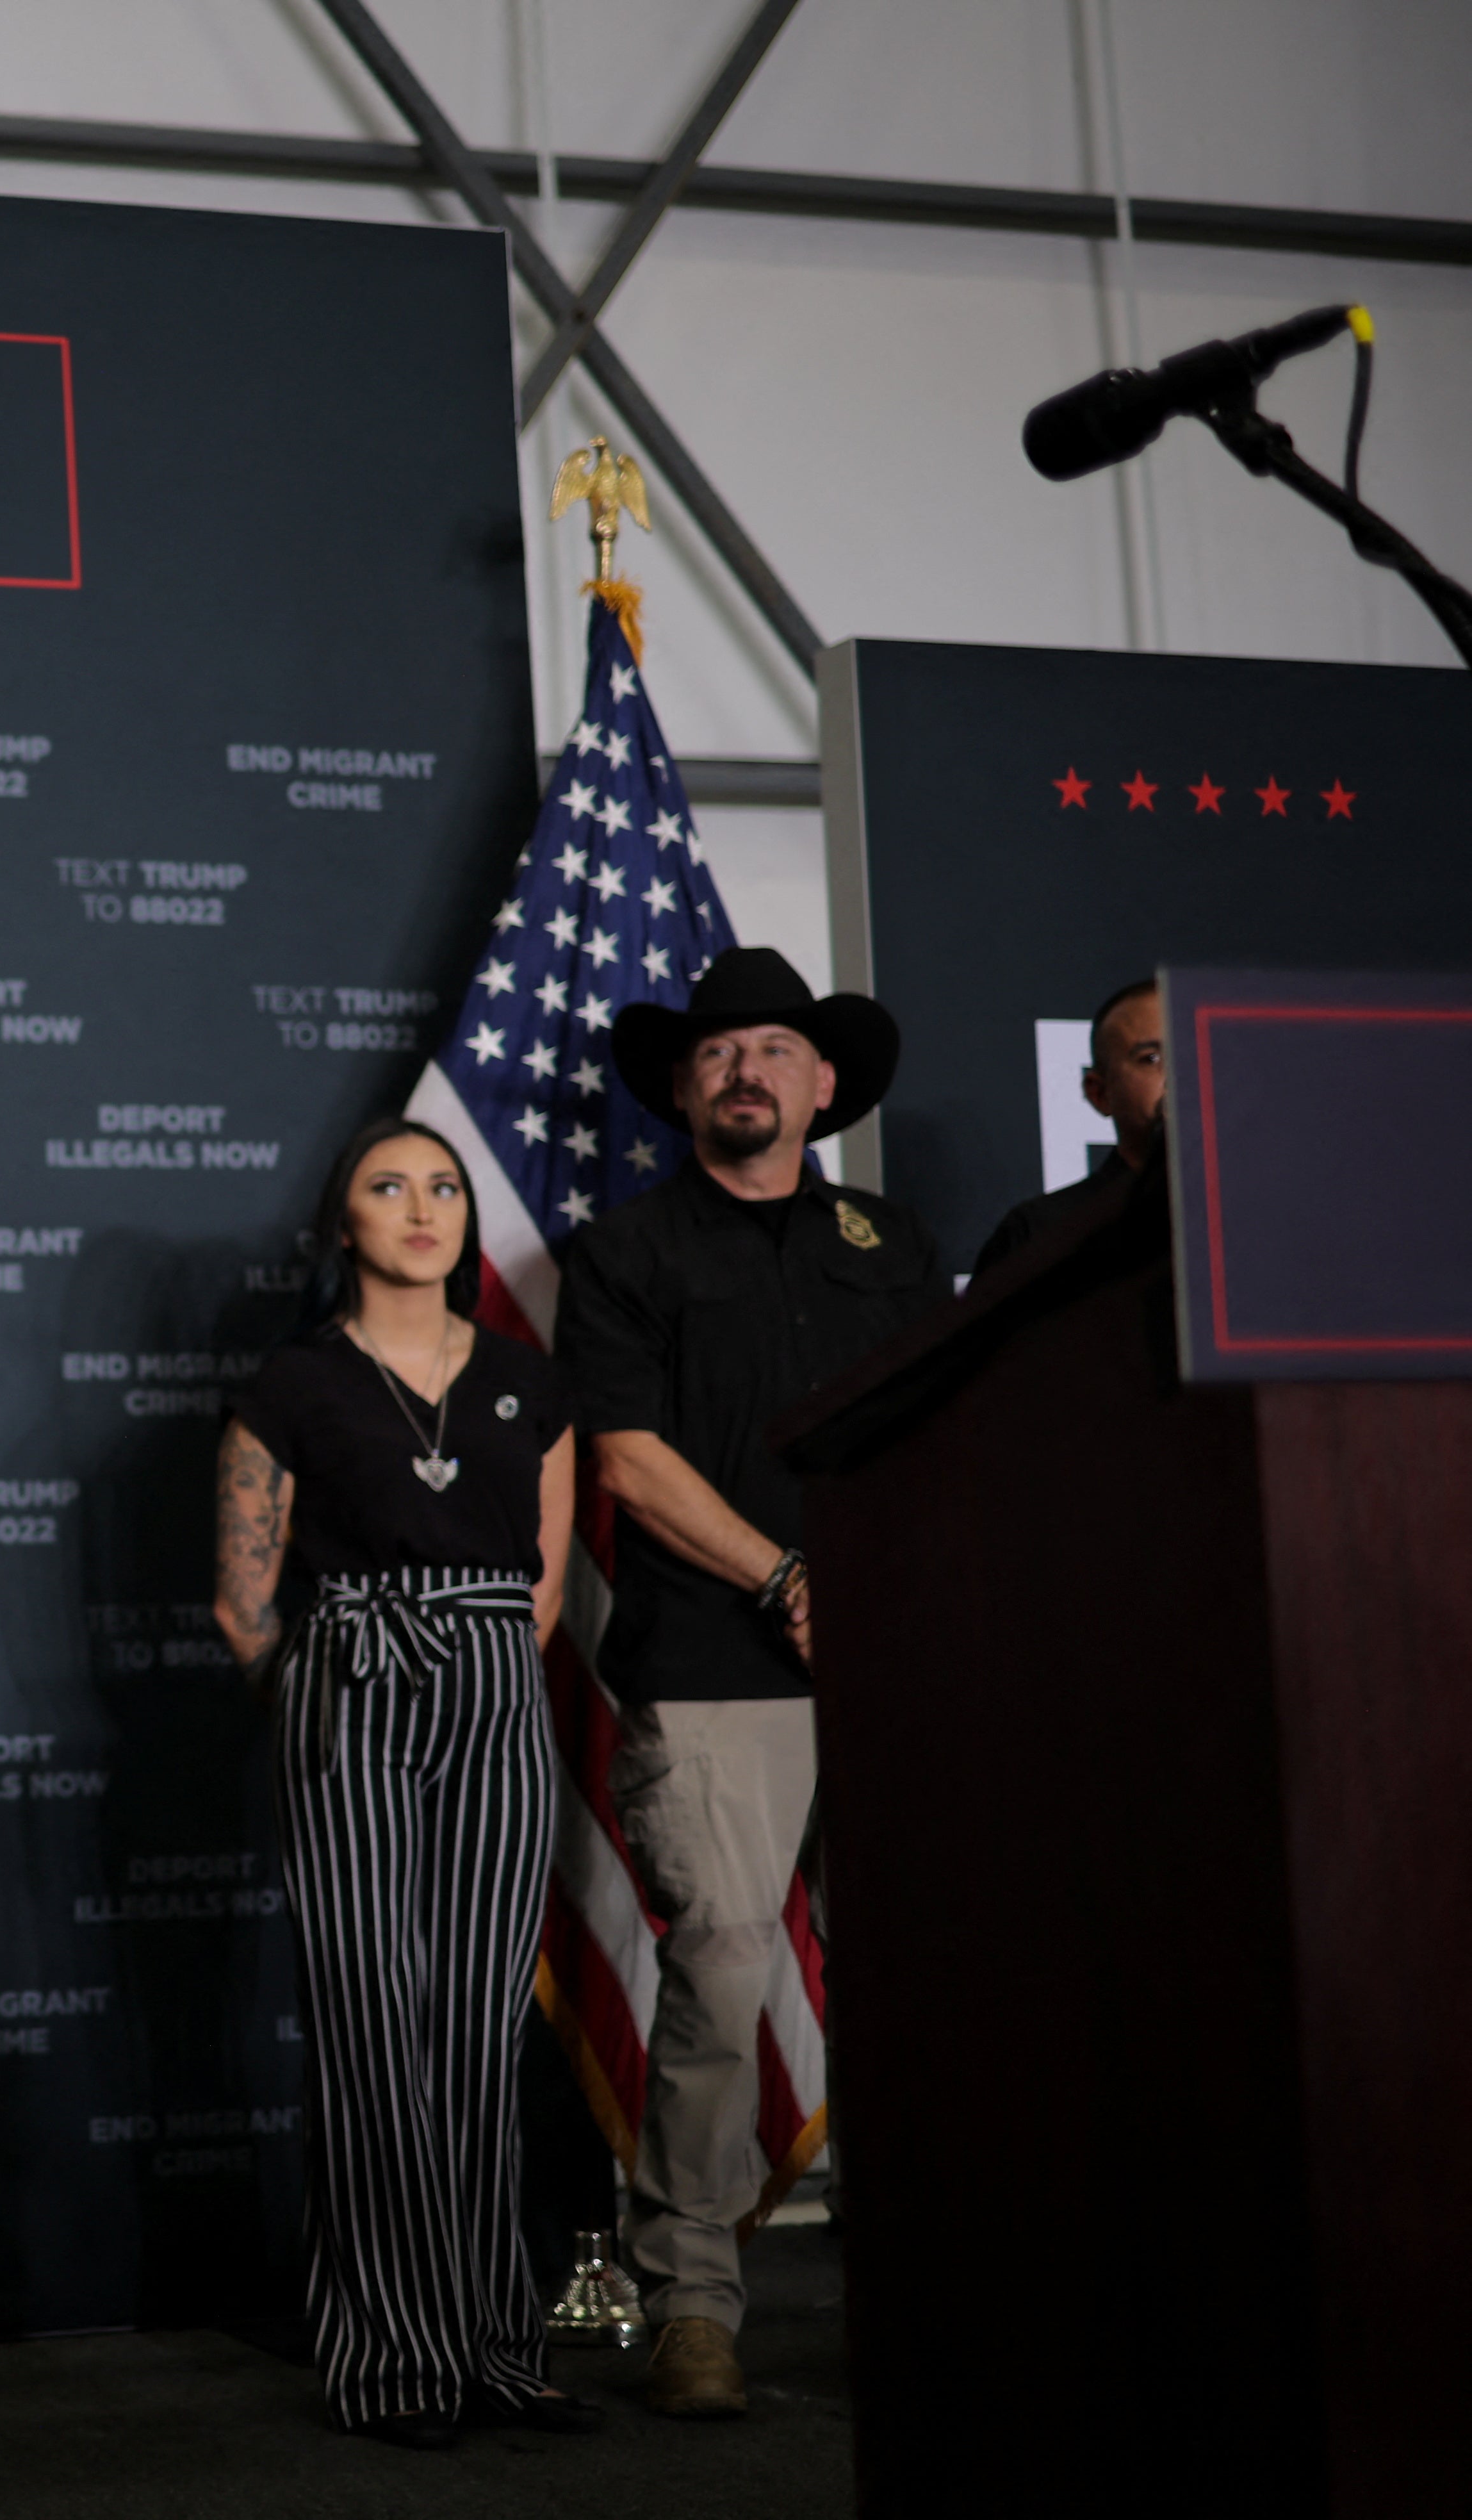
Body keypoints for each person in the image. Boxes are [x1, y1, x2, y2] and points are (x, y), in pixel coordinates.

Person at [554, 945, 949, 2420]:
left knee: (911, 1988)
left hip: (898, 1659)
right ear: (677, 1085)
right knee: (721, 1971)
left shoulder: (889, 1240)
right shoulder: (623, 1252)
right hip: (715, 1663)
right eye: (716, 1052)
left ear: (822, 1080)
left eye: (772, 1049)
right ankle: (690, 2303)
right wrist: (789, 1578)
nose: (743, 1071)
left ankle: (919, 2289)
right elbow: (626, 1459)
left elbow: (932, 1425)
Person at [213, 1117, 585, 2453]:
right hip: (349, 1683)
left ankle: (497, 2344)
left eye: (443, 1185)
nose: (421, 1207)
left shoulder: (530, 1382)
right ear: (343, 1223)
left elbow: (543, 1586)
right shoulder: (295, 1382)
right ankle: (392, 2357)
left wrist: (472, 1665)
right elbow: (243, 1598)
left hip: (493, 1684)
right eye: (388, 1186)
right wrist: (320, 1697)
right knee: (373, 2027)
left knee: (480, 2029)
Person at [974, 976, 1165, 1277]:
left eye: (1197, 1048)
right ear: (1099, 1093)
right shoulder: (1043, 1235)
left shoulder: (1259, 1217)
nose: (1183, 1070)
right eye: (1151, 1058)